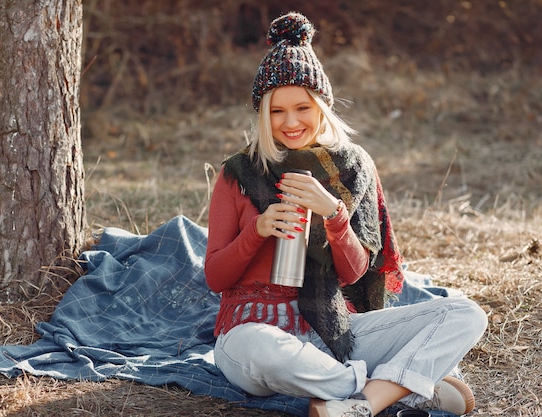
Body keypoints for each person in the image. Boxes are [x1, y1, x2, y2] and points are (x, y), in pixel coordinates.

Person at [204, 11, 488, 417]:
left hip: (331, 331)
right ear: (262, 115)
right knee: (260, 348)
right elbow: (216, 277)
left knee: (464, 314)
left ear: (321, 106)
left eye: (301, 107)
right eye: (276, 111)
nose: (290, 122)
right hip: (251, 334)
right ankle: (402, 387)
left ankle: (358, 404)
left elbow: (355, 274)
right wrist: (258, 229)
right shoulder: (238, 172)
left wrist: (334, 214)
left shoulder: (351, 167)